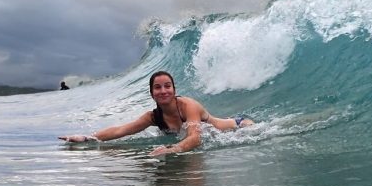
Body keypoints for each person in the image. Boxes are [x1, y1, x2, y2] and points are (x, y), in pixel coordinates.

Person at [58, 70, 254, 156]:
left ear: (174, 90)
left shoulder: (188, 106)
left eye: (167, 86)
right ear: (152, 94)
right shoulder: (153, 117)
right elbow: (121, 130)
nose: (163, 91)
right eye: (158, 87)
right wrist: (87, 138)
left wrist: (172, 150)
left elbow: (195, 137)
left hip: (235, 126)